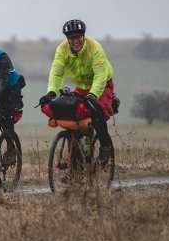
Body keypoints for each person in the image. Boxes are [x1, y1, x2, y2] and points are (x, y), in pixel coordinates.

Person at [39, 19, 115, 165]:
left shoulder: (94, 47)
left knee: (96, 110)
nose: (76, 40)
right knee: (73, 115)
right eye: (72, 37)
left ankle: (105, 146)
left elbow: (100, 75)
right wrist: (51, 93)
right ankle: (78, 158)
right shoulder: (62, 50)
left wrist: (93, 96)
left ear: (83, 35)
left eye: (78, 36)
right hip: (81, 86)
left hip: (102, 84)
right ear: (67, 38)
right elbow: (57, 74)